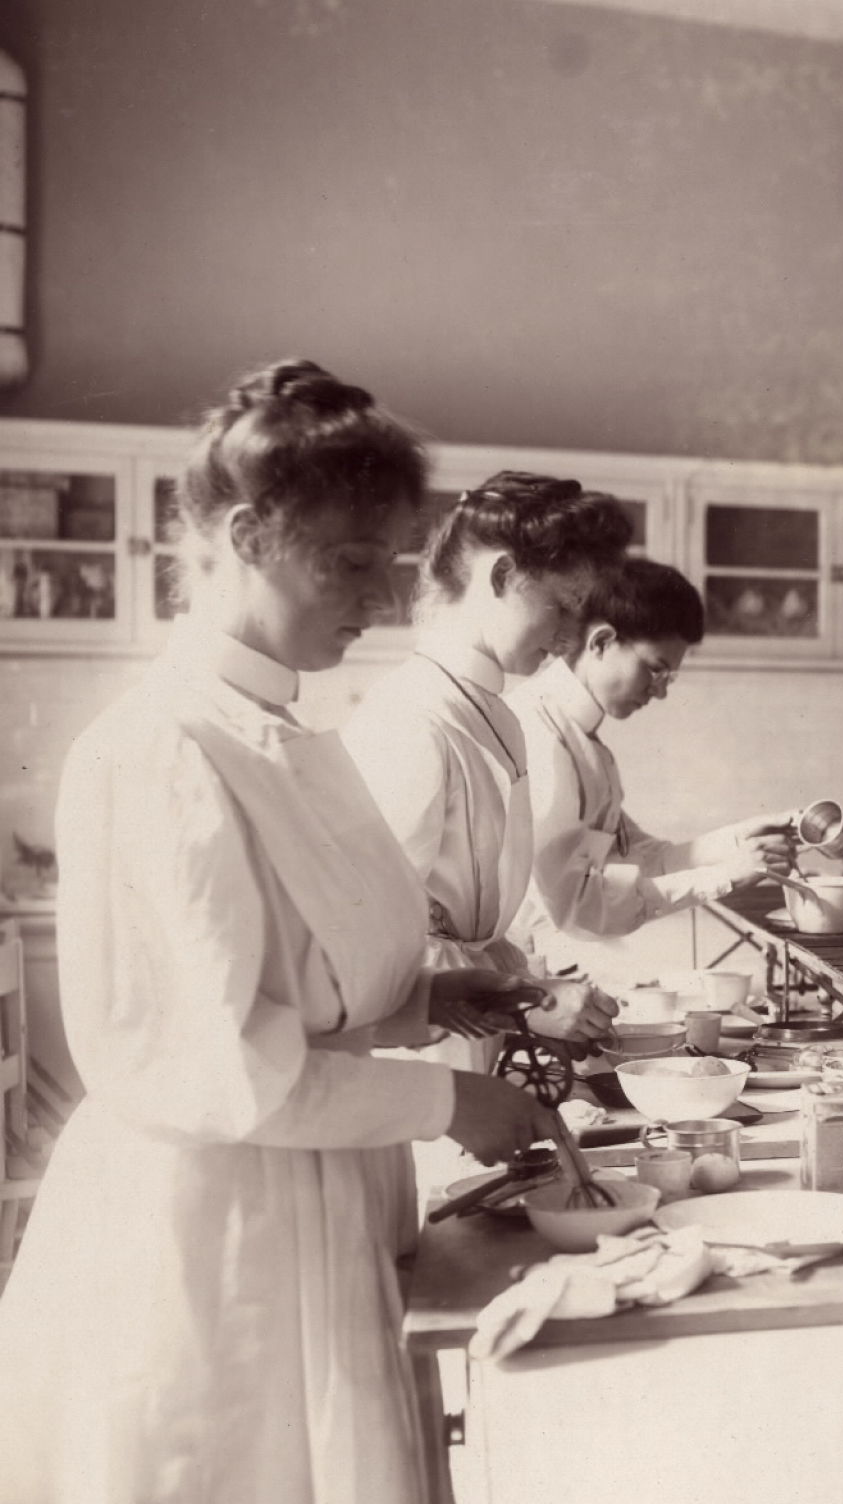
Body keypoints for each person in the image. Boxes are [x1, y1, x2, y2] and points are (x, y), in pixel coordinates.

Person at [0, 362, 558, 1503]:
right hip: (211, 1241)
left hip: (313, 1195)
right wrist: (451, 1099)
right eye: (353, 562)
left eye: (397, 564)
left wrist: (419, 1005)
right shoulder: (163, 744)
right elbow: (216, 1067)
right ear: (249, 535)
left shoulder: (281, 728)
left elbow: (290, 984)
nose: (386, 599)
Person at [343, 471, 626, 1072]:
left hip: (475, 1037)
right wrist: (527, 1001)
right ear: (501, 576)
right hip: (419, 1056)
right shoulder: (412, 718)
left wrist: (538, 994)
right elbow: (364, 947)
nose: (570, 636)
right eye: (562, 605)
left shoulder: (496, 713)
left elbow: (475, 931)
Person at [511, 556, 797, 961]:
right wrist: (724, 877)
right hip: (502, 973)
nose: (659, 693)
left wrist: (740, 839)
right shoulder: (542, 738)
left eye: (669, 678)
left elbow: (637, 858)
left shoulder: (585, 745)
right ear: (601, 642)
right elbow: (577, 909)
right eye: (654, 671)